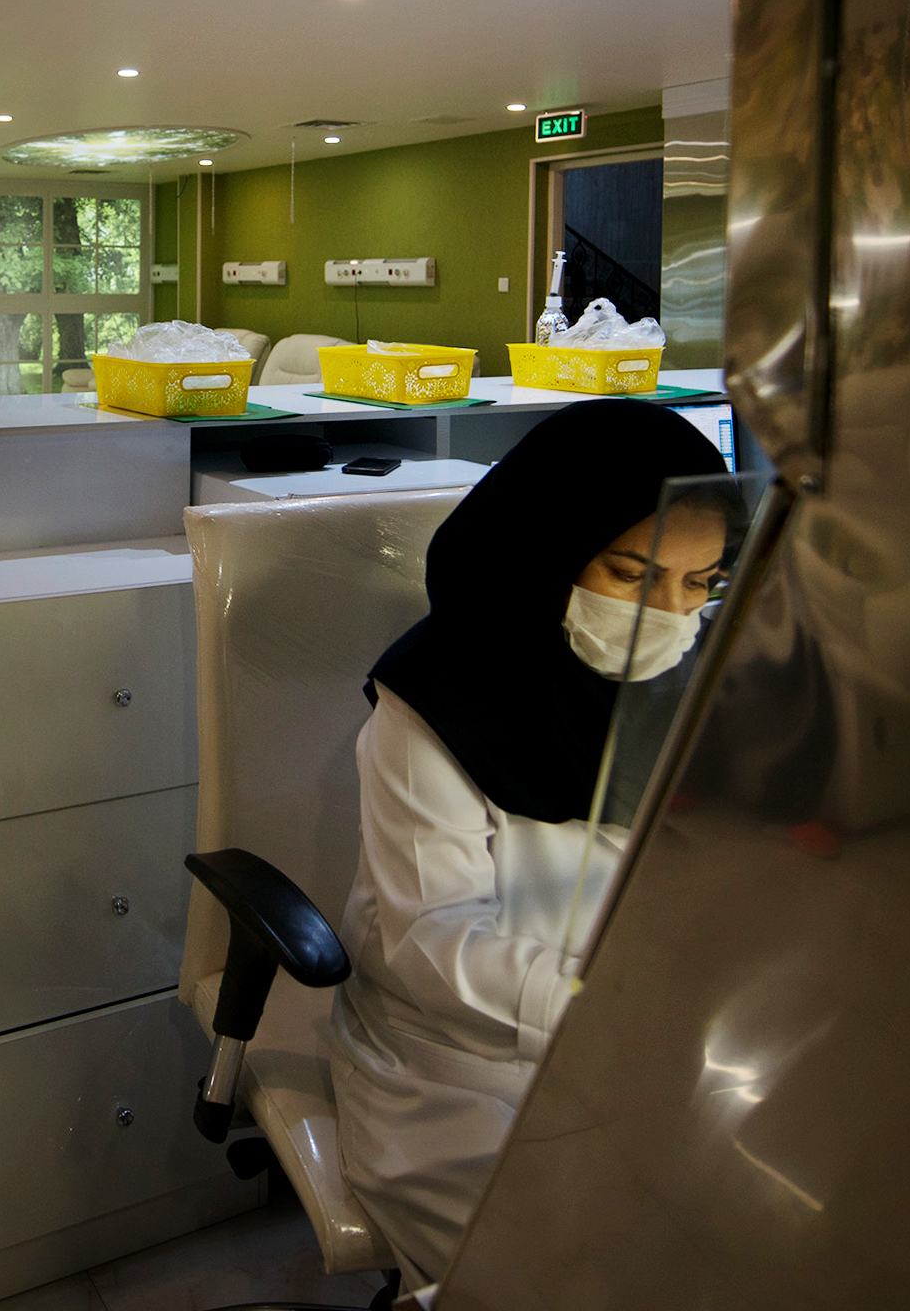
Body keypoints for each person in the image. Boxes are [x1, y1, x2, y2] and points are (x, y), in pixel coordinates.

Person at [330, 399, 732, 1285]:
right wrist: (619, 1013)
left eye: (699, 583)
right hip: (461, 1061)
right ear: (549, 550)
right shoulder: (436, 704)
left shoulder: (693, 681)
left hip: (648, 1035)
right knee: (562, 1272)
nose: (670, 616)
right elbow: (436, 947)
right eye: (632, 575)